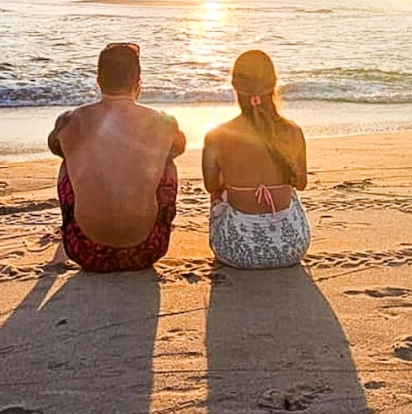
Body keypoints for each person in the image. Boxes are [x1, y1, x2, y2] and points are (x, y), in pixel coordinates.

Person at [48, 42, 186, 273]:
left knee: (68, 160)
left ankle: (72, 224)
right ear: (138, 82)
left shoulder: (69, 121)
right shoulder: (164, 122)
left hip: (85, 251)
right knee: (167, 163)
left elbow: (55, 147)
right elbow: (179, 148)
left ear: (98, 80)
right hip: (147, 250)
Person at [202, 49, 310, 269]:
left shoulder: (217, 135)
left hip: (237, 251)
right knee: (290, 187)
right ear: (273, 84)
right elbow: (301, 182)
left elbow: (211, 186)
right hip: (292, 247)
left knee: (219, 191)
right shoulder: (293, 131)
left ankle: (244, 222)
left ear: (234, 85)